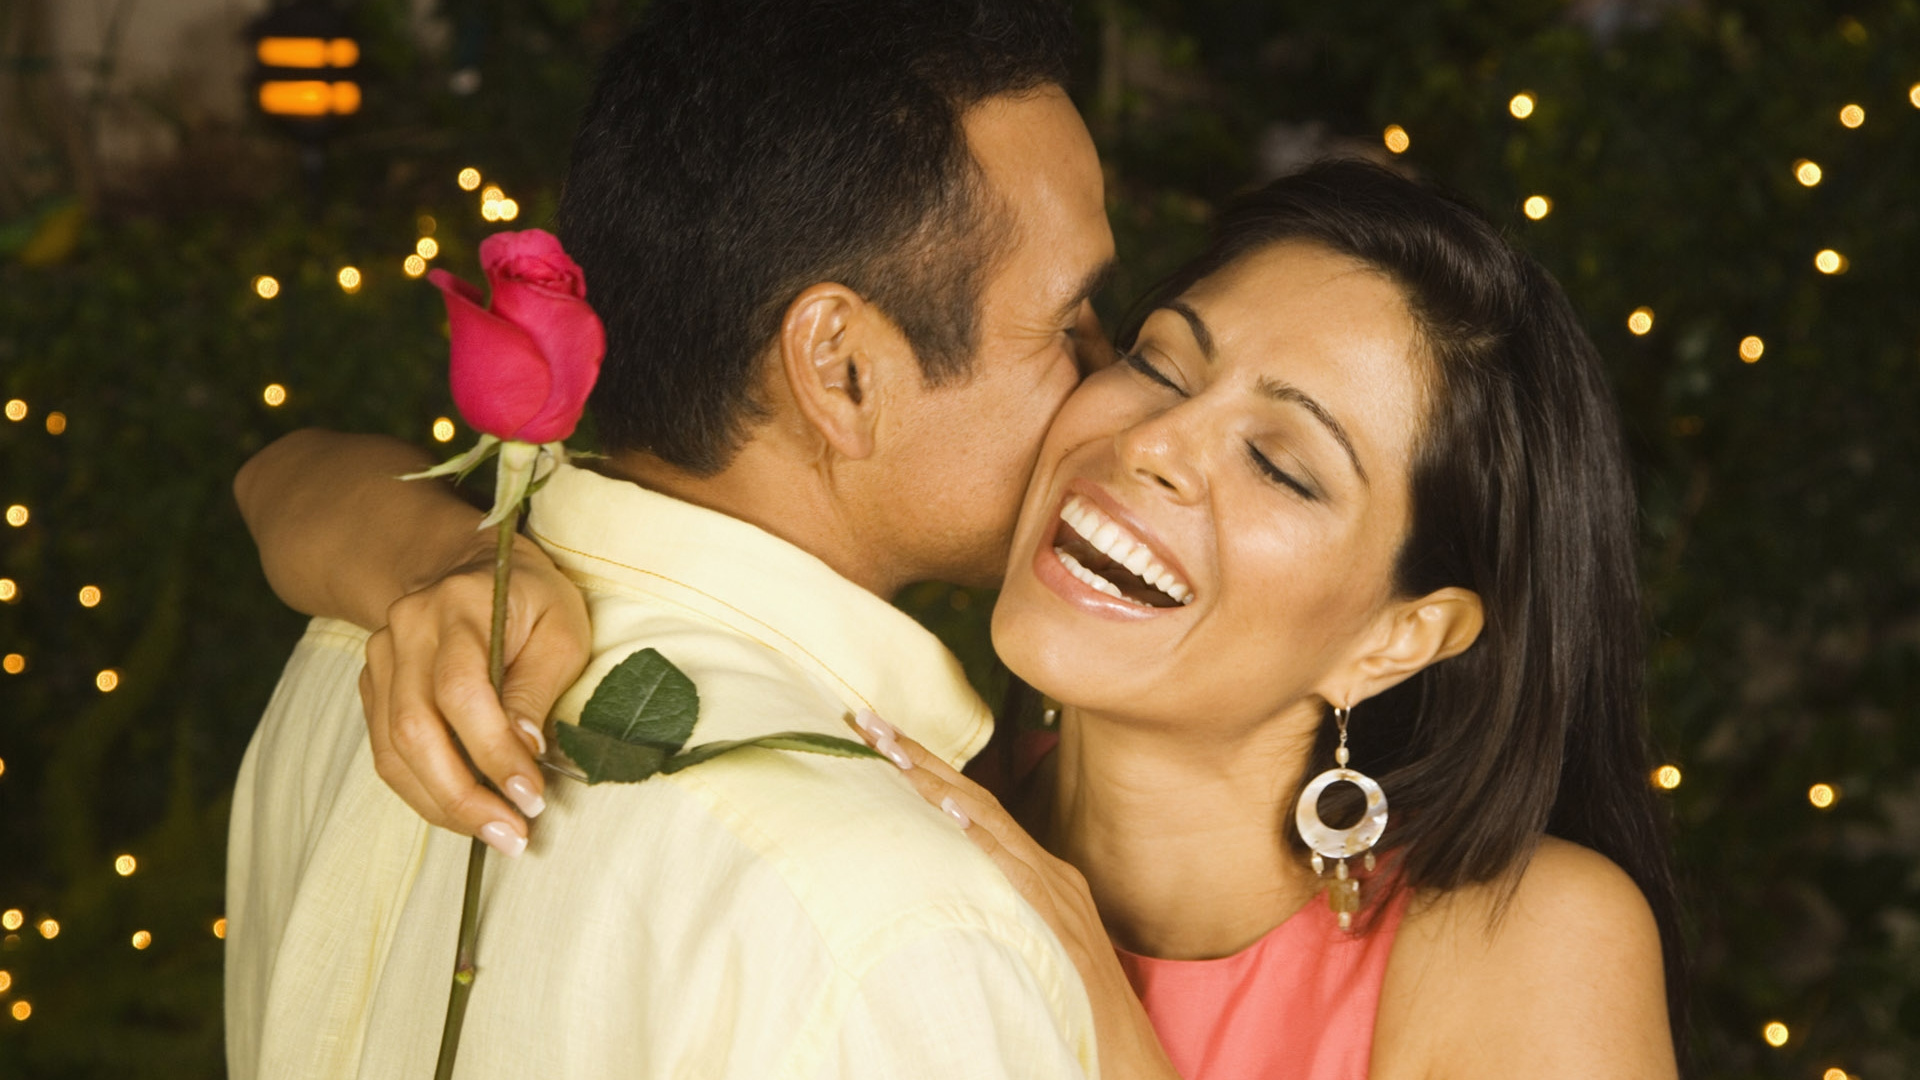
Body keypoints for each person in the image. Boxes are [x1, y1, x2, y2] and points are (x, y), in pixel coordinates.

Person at [252, 163, 1688, 1078]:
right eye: (1164, 363)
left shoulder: (1523, 936)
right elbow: (281, 482)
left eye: (1283, 463)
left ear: (1400, 635)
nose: (1162, 445)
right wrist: (443, 567)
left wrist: (1099, 1011)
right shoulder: (890, 811)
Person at [225, 1, 1120, 1077]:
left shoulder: (360, 648)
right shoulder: (907, 928)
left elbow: (278, 475)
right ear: (841, 371)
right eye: (1068, 324)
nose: (1110, 387)